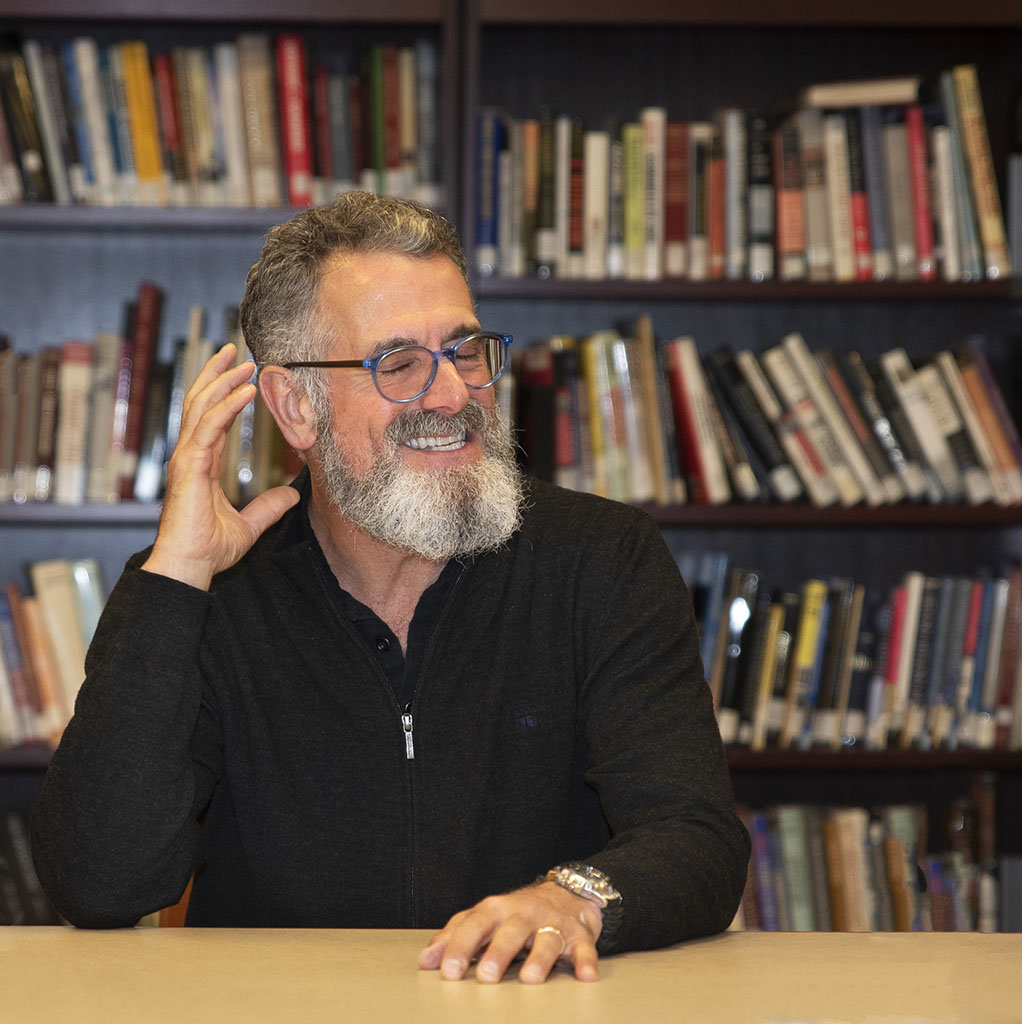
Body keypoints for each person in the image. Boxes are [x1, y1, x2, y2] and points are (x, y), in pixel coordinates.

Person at [31, 191, 750, 984]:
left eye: (466, 350)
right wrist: (175, 577)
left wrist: (574, 899)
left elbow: (695, 836)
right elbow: (100, 884)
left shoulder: (600, 560)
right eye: (398, 364)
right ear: (296, 406)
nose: (452, 395)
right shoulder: (216, 594)